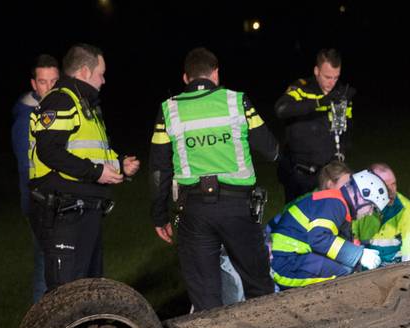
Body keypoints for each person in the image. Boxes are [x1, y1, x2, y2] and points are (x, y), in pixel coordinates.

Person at [150, 47, 280, 311]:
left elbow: (158, 169)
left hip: (194, 211)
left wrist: (159, 215)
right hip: (238, 209)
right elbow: (271, 149)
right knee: (258, 285)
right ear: (216, 74)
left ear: (186, 78)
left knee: (205, 296)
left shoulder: (169, 110)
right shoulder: (236, 101)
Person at [28, 44, 139, 293]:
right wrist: (97, 172)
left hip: (85, 210)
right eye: (101, 73)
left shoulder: (85, 104)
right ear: (85, 72)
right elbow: (49, 152)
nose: (104, 79)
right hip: (65, 212)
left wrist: (120, 165)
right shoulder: (61, 100)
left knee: (88, 291)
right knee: (67, 294)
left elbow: (89, 152)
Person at [269, 170, 390, 288]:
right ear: (360, 196)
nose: (369, 213)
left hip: (291, 257)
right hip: (286, 264)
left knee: (348, 267)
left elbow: (337, 242)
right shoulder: (335, 204)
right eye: (371, 207)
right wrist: (358, 255)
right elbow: (319, 238)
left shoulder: (336, 203)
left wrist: (363, 251)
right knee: (345, 274)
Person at [274, 49, 355, 202]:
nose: (332, 82)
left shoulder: (340, 93)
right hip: (299, 175)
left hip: (328, 175)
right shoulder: (302, 88)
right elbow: (281, 109)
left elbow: (346, 129)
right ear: (317, 71)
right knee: (297, 220)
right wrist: (319, 103)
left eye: (336, 77)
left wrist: (342, 152)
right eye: (327, 77)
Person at [11, 54, 59, 303]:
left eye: (54, 80)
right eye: (43, 81)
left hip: (57, 199)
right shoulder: (25, 120)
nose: (49, 87)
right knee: (45, 264)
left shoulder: (58, 110)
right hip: (38, 202)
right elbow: (26, 168)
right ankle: (40, 326)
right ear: (34, 84)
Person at [351, 163, 410, 263]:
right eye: (384, 185)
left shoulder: (408, 211)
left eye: (393, 184)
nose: (391, 191)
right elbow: (348, 244)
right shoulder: (357, 208)